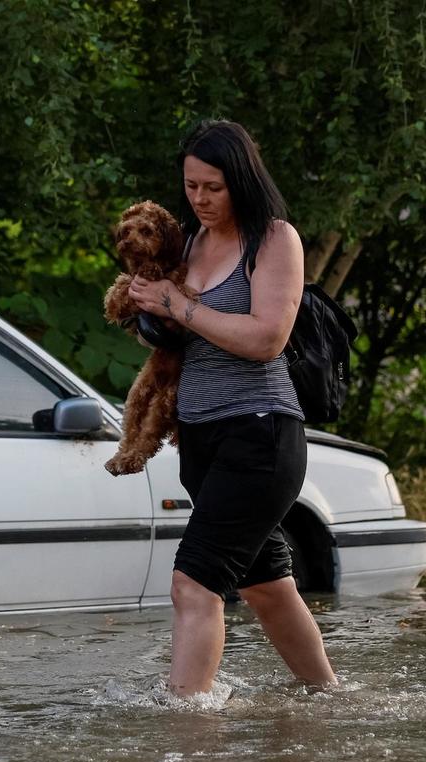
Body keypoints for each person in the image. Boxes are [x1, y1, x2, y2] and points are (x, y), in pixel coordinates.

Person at [126, 119, 338, 697]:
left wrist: (178, 304)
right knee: (268, 587)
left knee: (193, 585)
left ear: (241, 179)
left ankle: (187, 729)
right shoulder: (190, 243)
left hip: (261, 436)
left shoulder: (274, 239)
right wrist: (150, 311)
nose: (199, 199)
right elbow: (180, 340)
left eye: (212, 187)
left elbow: (266, 337)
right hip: (200, 440)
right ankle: (330, 700)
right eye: (191, 186)